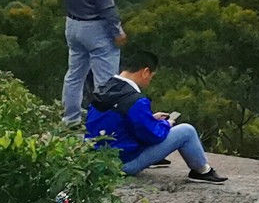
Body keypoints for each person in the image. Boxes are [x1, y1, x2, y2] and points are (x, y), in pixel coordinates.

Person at [86, 51, 229, 182]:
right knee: (187, 131)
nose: (149, 82)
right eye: (151, 77)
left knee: (150, 126)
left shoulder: (103, 89)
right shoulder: (135, 99)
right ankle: (202, 171)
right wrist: (167, 124)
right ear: (145, 72)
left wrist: (150, 118)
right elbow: (152, 135)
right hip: (124, 165)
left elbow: (116, 120)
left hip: (99, 162)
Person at [57, 0, 126, 127]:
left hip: (72, 24)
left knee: (74, 74)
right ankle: (103, 126)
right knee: (105, 81)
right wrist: (117, 31)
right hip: (96, 28)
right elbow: (105, 5)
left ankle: (70, 120)